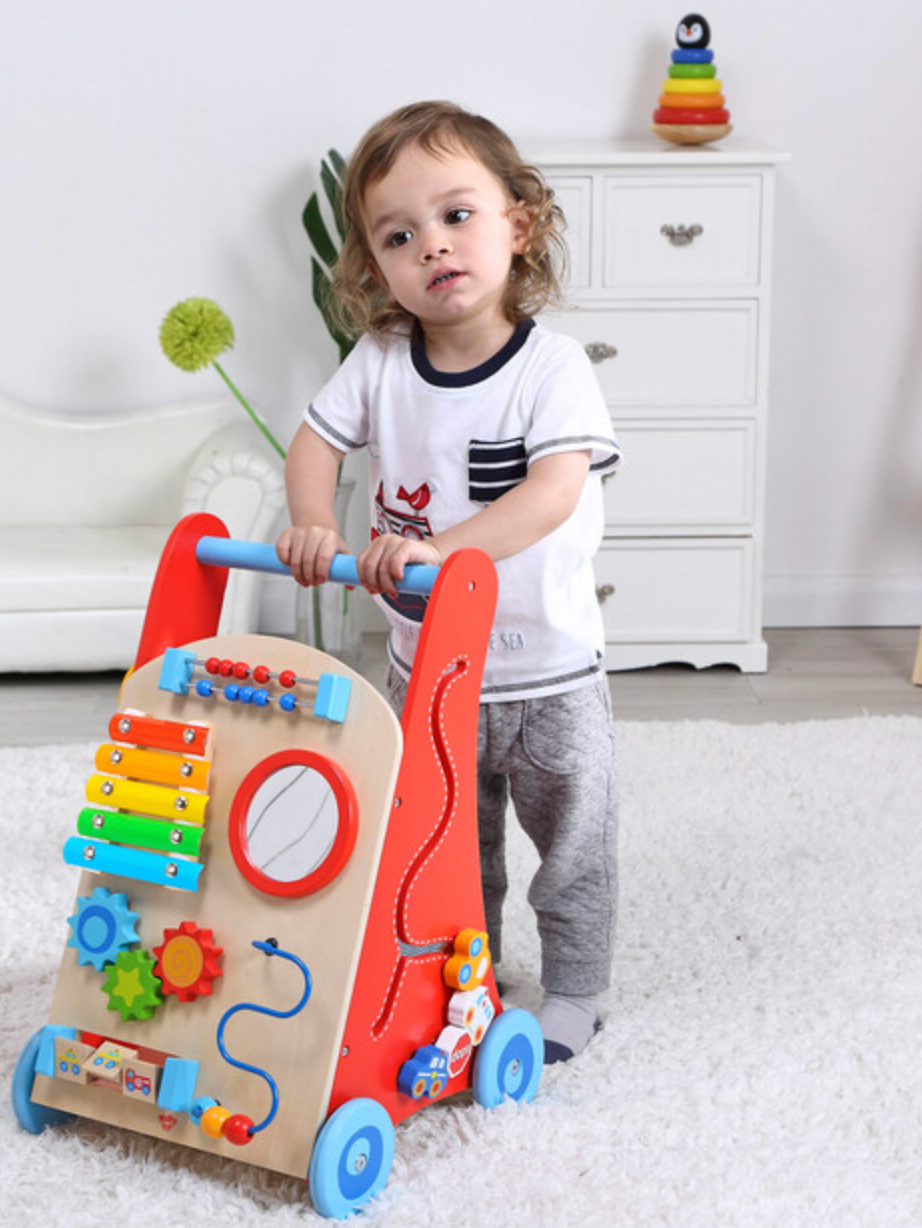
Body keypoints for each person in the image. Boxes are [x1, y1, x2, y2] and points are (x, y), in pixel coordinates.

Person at [277, 101, 621, 1063]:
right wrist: (313, 520)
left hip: (547, 671)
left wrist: (447, 550)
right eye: (400, 234)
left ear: (519, 220)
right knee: (442, 846)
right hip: (425, 671)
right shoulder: (381, 360)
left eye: (457, 215)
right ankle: (463, 972)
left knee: (573, 846)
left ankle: (578, 992)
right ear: (375, 267)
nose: (432, 245)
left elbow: (553, 493)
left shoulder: (553, 371)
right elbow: (315, 444)